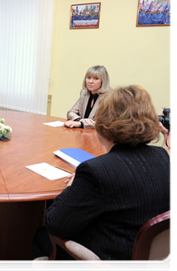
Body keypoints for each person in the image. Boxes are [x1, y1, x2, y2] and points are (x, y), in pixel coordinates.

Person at [33, 85, 174, 271]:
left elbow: (55, 224)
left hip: (109, 262)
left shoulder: (96, 171)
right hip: (148, 256)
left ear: (104, 122)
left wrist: (72, 185)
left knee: (41, 235)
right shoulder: (161, 156)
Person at [64, 65, 110, 129]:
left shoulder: (110, 97)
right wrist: (80, 119)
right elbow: (70, 113)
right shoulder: (84, 92)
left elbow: (105, 123)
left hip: (99, 135)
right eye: (88, 78)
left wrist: (80, 124)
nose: (90, 81)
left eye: (96, 79)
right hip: (83, 133)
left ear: (103, 81)